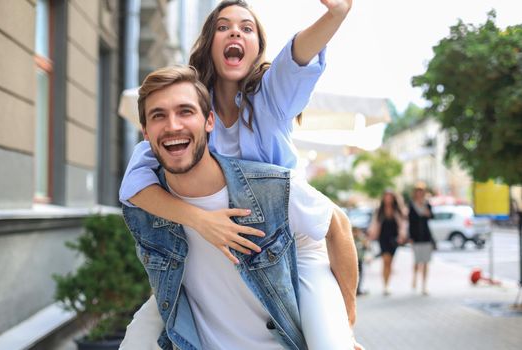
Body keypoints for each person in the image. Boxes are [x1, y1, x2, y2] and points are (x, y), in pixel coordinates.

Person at [121, 65, 359, 349]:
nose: (173, 126)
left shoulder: (270, 188)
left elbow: (339, 225)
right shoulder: (145, 206)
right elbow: (165, 279)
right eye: (158, 115)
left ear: (209, 121)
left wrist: (345, 322)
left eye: (185, 111)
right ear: (145, 132)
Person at [368, 189, 407, 295]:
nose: (388, 198)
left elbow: (403, 224)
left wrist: (402, 236)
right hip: (383, 238)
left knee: (390, 262)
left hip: (394, 239)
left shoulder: (398, 210)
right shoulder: (379, 210)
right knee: (385, 260)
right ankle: (385, 285)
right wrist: (371, 234)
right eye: (386, 196)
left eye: (390, 196)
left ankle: (388, 283)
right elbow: (374, 223)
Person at [408, 181, 435, 295]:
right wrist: (410, 236)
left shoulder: (427, 204)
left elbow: (432, 216)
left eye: (421, 191)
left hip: (426, 236)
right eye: (418, 191)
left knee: (426, 262)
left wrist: (428, 213)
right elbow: (410, 221)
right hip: (416, 237)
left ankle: (424, 285)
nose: (419, 193)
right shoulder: (411, 205)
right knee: (417, 260)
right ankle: (414, 277)